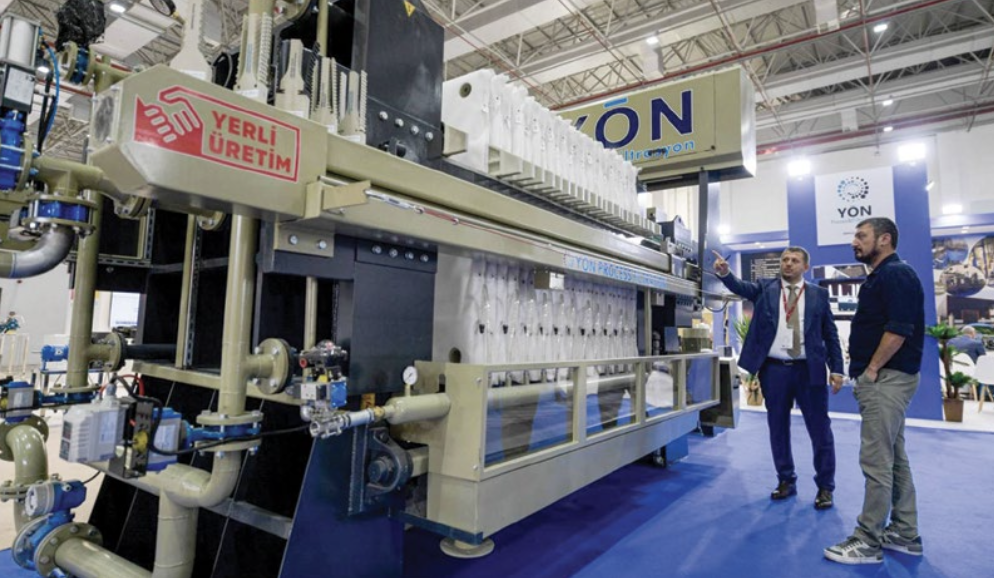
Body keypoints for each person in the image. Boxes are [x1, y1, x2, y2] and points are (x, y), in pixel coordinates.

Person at [824, 217, 925, 565]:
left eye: (861, 236)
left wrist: (870, 370)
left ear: (884, 239)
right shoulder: (881, 276)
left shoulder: (896, 274)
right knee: (894, 457)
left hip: (886, 379)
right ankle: (905, 533)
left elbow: (898, 330)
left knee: (876, 461)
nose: (854, 241)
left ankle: (867, 541)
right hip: (886, 378)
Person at [714, 247, 844, 510]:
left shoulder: (818, 295)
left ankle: (825, 487)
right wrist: (726, 274)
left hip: (809, 370)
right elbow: (740, 287)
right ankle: (786, 480)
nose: (788, 264)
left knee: (820, 429)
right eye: (785, 259)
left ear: (805, 267)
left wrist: (837, 369)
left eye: (795, 260)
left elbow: (830, 334)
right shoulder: (765, 288)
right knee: (778, 427)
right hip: (775, 371)